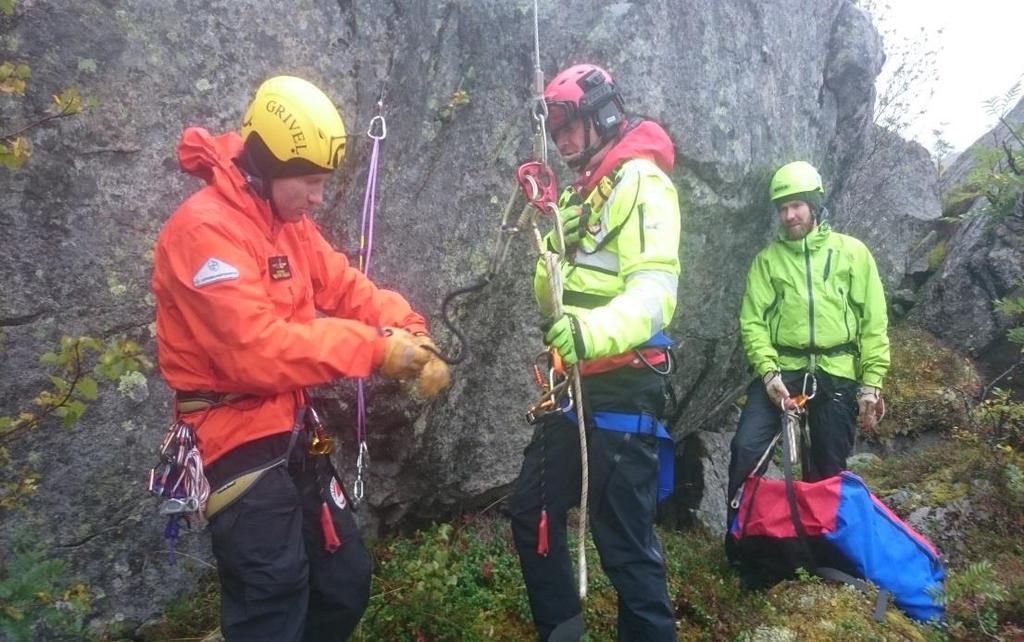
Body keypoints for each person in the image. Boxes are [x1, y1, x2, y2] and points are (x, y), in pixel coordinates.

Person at [151, 75, 450, 642]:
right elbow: (255, 350)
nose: (318, 197)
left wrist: (410, 329)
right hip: (231, 436)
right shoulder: (202, 232)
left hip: (289, 427)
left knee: (343, 580)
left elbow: (345, 287)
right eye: (310, 182)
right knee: (274, 597)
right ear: (266, 166)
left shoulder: (289, 227)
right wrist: (377, 350)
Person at [507, 63, 681, 642]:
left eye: (569, 126)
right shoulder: (586, 191)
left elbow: (657, 294)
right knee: (531, 507)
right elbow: (549, 298)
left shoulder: (645, 183)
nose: (561, 140)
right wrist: (554, 232)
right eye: (555, 129)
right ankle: (563, 631)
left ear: (603, 114)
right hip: (573, 388)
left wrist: (590, 334)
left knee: (623, 544)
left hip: (622, 385)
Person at [726, 160, 889, 533]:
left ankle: (823, 546)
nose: (789, 215)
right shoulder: (767, 262)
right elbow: (753, 322)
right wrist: (768, 373)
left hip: (837, 371)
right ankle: (741, 538)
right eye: (782, 208)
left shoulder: (852, 253)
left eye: (796, 205)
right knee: (746, 449)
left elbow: (873, 322)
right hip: (783, 372)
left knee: (828, 468)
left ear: (814, 205)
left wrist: (872, 382)